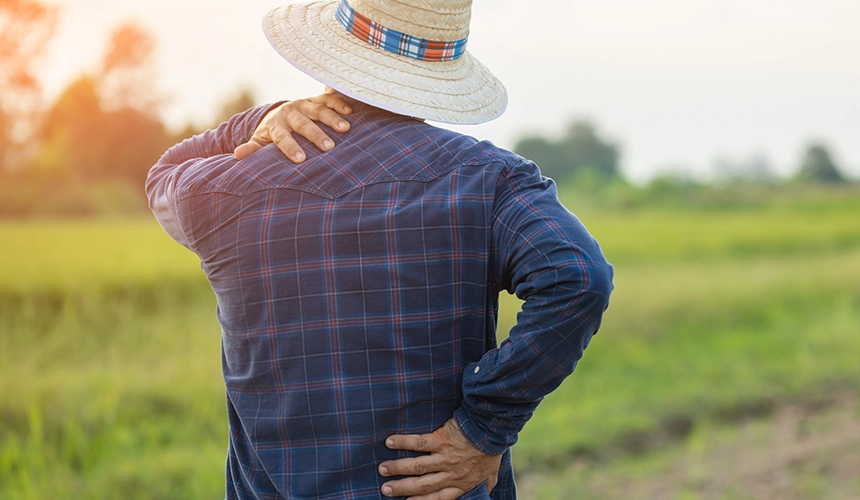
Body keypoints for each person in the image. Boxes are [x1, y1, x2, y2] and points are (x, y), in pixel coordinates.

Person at [146, 1, 613, 498]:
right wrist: (484, 428)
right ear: (441, 71)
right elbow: (578, 278)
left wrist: (257, 122)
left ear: (330, 53)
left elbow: (163, 175)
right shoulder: (489, 181)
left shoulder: (225, 191)